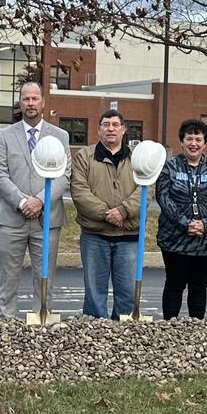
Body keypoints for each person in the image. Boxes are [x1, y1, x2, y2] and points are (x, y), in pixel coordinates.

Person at [0, 76, 70, 318]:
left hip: (47, 219)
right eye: (26, 99)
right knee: (7, 278)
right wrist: (23, 202)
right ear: (20, 102)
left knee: (45, 277)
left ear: (43, 102)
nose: (30, 103)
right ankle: (6, 323)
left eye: (35, 98)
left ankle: (41, 321)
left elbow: (65, 176)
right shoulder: (5, 135)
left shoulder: (60, 136)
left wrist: (40, 200)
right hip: (11, 218)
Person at [155, 118, 207, 320]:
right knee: (174, 284)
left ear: (205, 143)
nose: (193, 143)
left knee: (199, 286)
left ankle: (196, 326)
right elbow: (163, 196)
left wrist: (206, 223)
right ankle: (169, 326)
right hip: (174, 239)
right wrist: (184, 223)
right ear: (182, 141)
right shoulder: (170, 167)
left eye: (198, 139)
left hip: (206, 239)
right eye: (189, 138)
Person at [69, 108, 140, 318]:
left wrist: (123, 211)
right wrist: (107, 214)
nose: (111, 129)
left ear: (123, 130)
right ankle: (96, 332)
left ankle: (124, 333)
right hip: (95, 236)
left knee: (127, 293)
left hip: (128, 236)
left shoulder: (137, 158)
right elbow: (79, 191)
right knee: (94, 294)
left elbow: (146, 189)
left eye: (115, 125)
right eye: (106, 125)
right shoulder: (84, 157)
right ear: (99, 130)